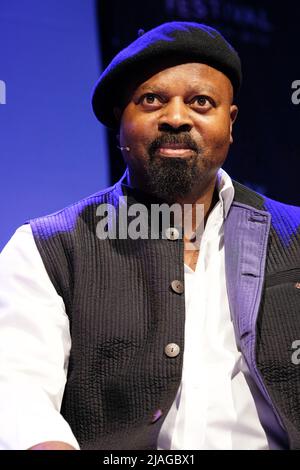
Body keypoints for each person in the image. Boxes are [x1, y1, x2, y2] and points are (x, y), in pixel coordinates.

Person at [0, 21, 300, 451]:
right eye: (152, 100)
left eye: (200, 102)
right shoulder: (47, 249)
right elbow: (17, 393)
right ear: (120, 123)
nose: (176, 118)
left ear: (229, 123)